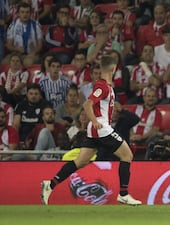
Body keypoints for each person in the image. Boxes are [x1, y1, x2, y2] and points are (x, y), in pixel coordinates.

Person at [41, 55, 142, 205]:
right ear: (113, 69)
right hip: (101, 129)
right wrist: (95, 121)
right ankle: (123, 194)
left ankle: (50, 184)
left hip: (95, 129)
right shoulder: (102, 87)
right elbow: (88, 104)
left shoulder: (105, 86)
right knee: (127, 155)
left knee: (80, 161)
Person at [3, 2, 43, 67]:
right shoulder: (13, 25)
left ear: (30, 14)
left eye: (27, 12)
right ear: (18, 14)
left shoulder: (36, 25)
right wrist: (16, 49)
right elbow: (9, 45)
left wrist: (34, 52)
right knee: (4, 63)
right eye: (22, 12)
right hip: (15, 53)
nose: (25, 14)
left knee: (27, 62)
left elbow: (40, 45)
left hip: (31, 54)